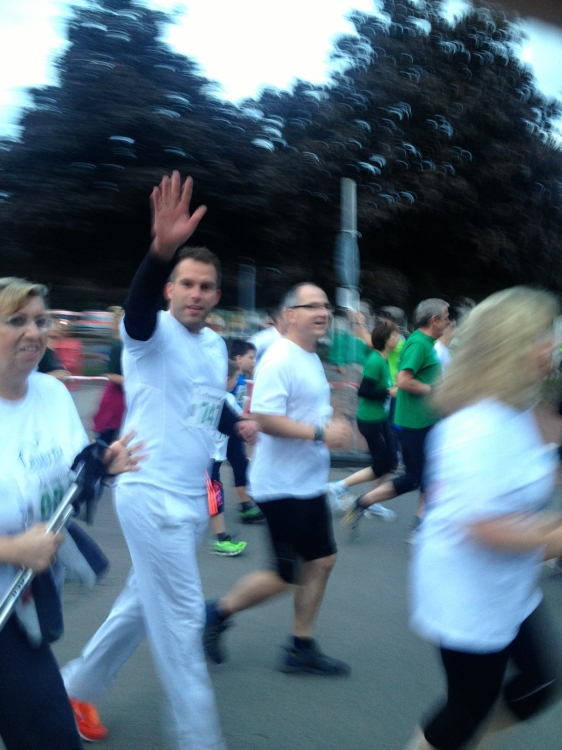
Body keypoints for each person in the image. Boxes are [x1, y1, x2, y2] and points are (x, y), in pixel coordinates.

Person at [61, 172, 258, 750]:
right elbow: (139, 308)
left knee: (143, 603)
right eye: (186, 283)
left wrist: (239, 424)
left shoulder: (215, 345)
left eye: (206, 287)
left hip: (192, 498)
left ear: (216, 296)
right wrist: (159, 250)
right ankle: (198, 739)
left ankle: (74, 687)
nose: (196, 294)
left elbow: (208, 405)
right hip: (149, 495)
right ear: (170, 289)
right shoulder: (148, 334)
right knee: (181, 621)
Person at [404, 287, 562, 750]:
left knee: (540, 684)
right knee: (466, 710)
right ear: (510, 345)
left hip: (510, 587)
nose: (552, 345)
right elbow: (486, 526)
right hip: (467, 594)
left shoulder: (520, 409)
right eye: (542, 336)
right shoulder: (475, 427)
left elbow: (539, 470)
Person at [0, 276, 141, 750]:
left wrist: (104, 464)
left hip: (18, 607)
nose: (34, 332)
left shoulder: (51, 394)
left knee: (53, 736)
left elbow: (74, 476)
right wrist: (11, 549)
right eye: (16, 320)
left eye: (41, 321)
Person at [204, 282, 354, 675]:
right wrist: (321, 434)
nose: (322, 313)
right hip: (281, 486)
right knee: (284, 573)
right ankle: (215, 614)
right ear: (290, 315)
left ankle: (300, 647)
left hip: (307, 481)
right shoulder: (279, 358)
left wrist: (334, 421)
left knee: (322, 560)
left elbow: (302, 411)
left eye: (325, 306)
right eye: (312, 306)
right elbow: (266, 418)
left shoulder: (309, 357)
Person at [342, 299, 449, 530]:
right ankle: (361, 503)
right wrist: (434, 390)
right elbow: (404, 381)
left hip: (424, 421)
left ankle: (422, 523)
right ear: (434, 320)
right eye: (446, 318)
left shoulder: (425, 343)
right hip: (413, 424)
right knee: (413, 476)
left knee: (427, 472)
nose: (449, 322)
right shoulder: (418, 344)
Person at [327, 317, 400, 521]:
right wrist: (388, 392)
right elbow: (364, 391)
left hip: (380, 419)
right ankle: (340, 487)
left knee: (391, 462)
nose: (398, 338)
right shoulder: (375, 361)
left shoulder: (383, 359)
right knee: (382, 464)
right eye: (395, 335)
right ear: (386, 339)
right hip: (370, 421)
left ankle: (369, 500)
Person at [208, 360, 248, 556]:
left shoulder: (211, 397)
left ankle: (221, 537)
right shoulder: (226, 400)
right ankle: (221, 539)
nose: (237, 382)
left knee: (212, 493)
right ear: (225, 380)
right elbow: (241, 421)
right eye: (235, 378)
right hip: (209, 457)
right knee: (215, 494)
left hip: (209, 456)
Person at [226, 339, 264, 523]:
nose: (254, 361)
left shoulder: (240, 379)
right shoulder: (231, 379)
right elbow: (227, 405)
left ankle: (245, 505)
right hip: (224, 432)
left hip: (234, 430)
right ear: (238, 358)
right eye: (251, 357)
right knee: (212, 473)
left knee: (240, 464)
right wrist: (248, 418)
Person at [92, 306, 125, 445]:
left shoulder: (125, 344)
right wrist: (132, 381)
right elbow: (111, 375)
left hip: (122, 395)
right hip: (116, 397)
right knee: (108, 436)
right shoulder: (118, 345)